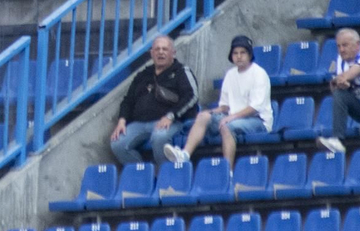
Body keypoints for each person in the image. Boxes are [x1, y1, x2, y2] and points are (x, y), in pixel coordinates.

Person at [166, 34, 272, 165]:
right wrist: (210, 112)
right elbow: (225, 107)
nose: (239, 56)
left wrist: (232, 117)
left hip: (258, 121)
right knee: (203, 117)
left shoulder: (259, 74)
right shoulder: (230, 74)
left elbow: (255, 108)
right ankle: (184, 155)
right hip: (233, 118)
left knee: (227, 127)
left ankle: (228, 173)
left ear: (250, 55)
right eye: (235, 53)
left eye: (243, 52)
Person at [109, 34, 199, 163]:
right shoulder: (143, 75)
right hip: (140, 123)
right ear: (151, 53)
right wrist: (122, 121)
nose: (160, 52)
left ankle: (166, 178)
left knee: (159, 138)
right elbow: (128, 101)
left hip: (172, 122)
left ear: (173, 53)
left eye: (164, 49)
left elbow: (192, 96)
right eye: (157, 49)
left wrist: (170, 116)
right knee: (117, 143)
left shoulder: (182, 71)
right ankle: (143, 177)